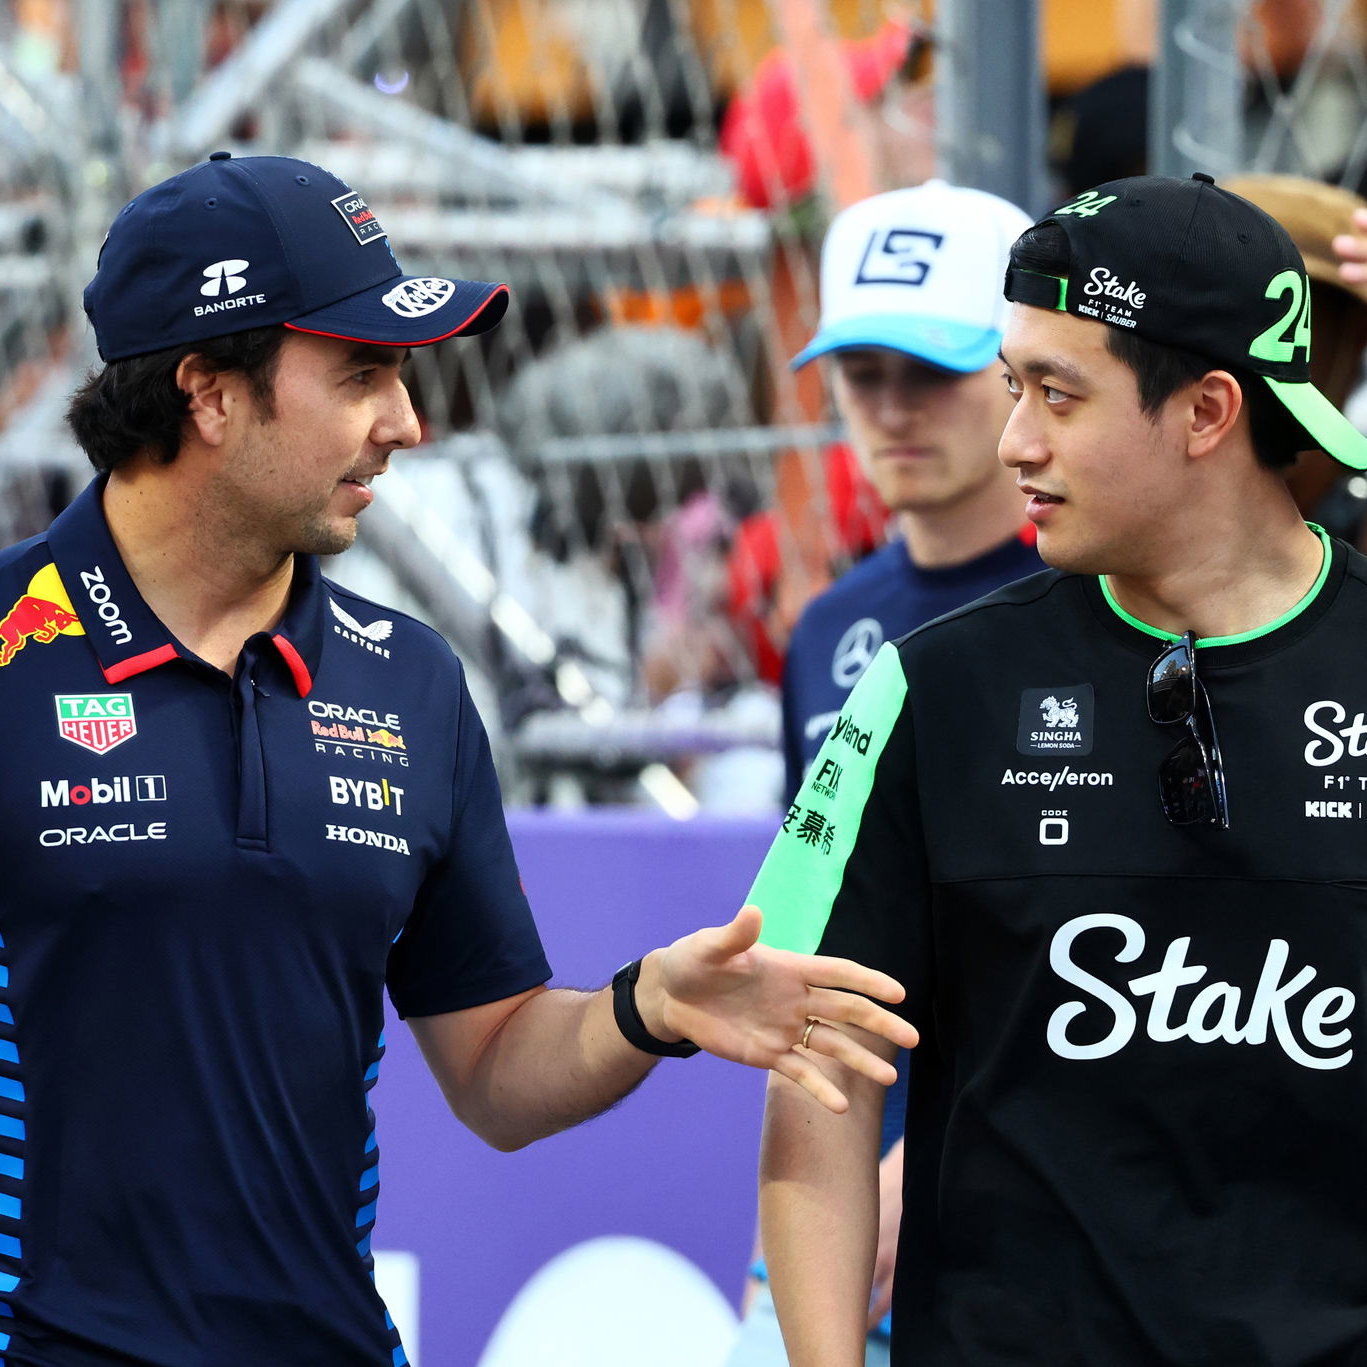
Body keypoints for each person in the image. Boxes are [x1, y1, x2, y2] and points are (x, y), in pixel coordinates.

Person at [0, 152, 918, 1365]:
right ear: (208, 392)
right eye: (363, 373)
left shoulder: (408, 679)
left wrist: (650, 1005)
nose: (407, 422)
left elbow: (492, 1070)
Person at [750, 171, 1367, 1365]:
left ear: (1206, 411)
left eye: (1056, 395)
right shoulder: (924, 686)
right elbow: (814, 1077)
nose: (1011, 440)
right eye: (1008, 385)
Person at [726, 179, 1041, 1367]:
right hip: (829, 1182)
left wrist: (928, 1158)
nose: (892, 410)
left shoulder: (1101, 607)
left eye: (932, 370)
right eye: (863, 373)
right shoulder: (827, 627)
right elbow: (806, 937)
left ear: (1022, 372)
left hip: (1022, 1194)